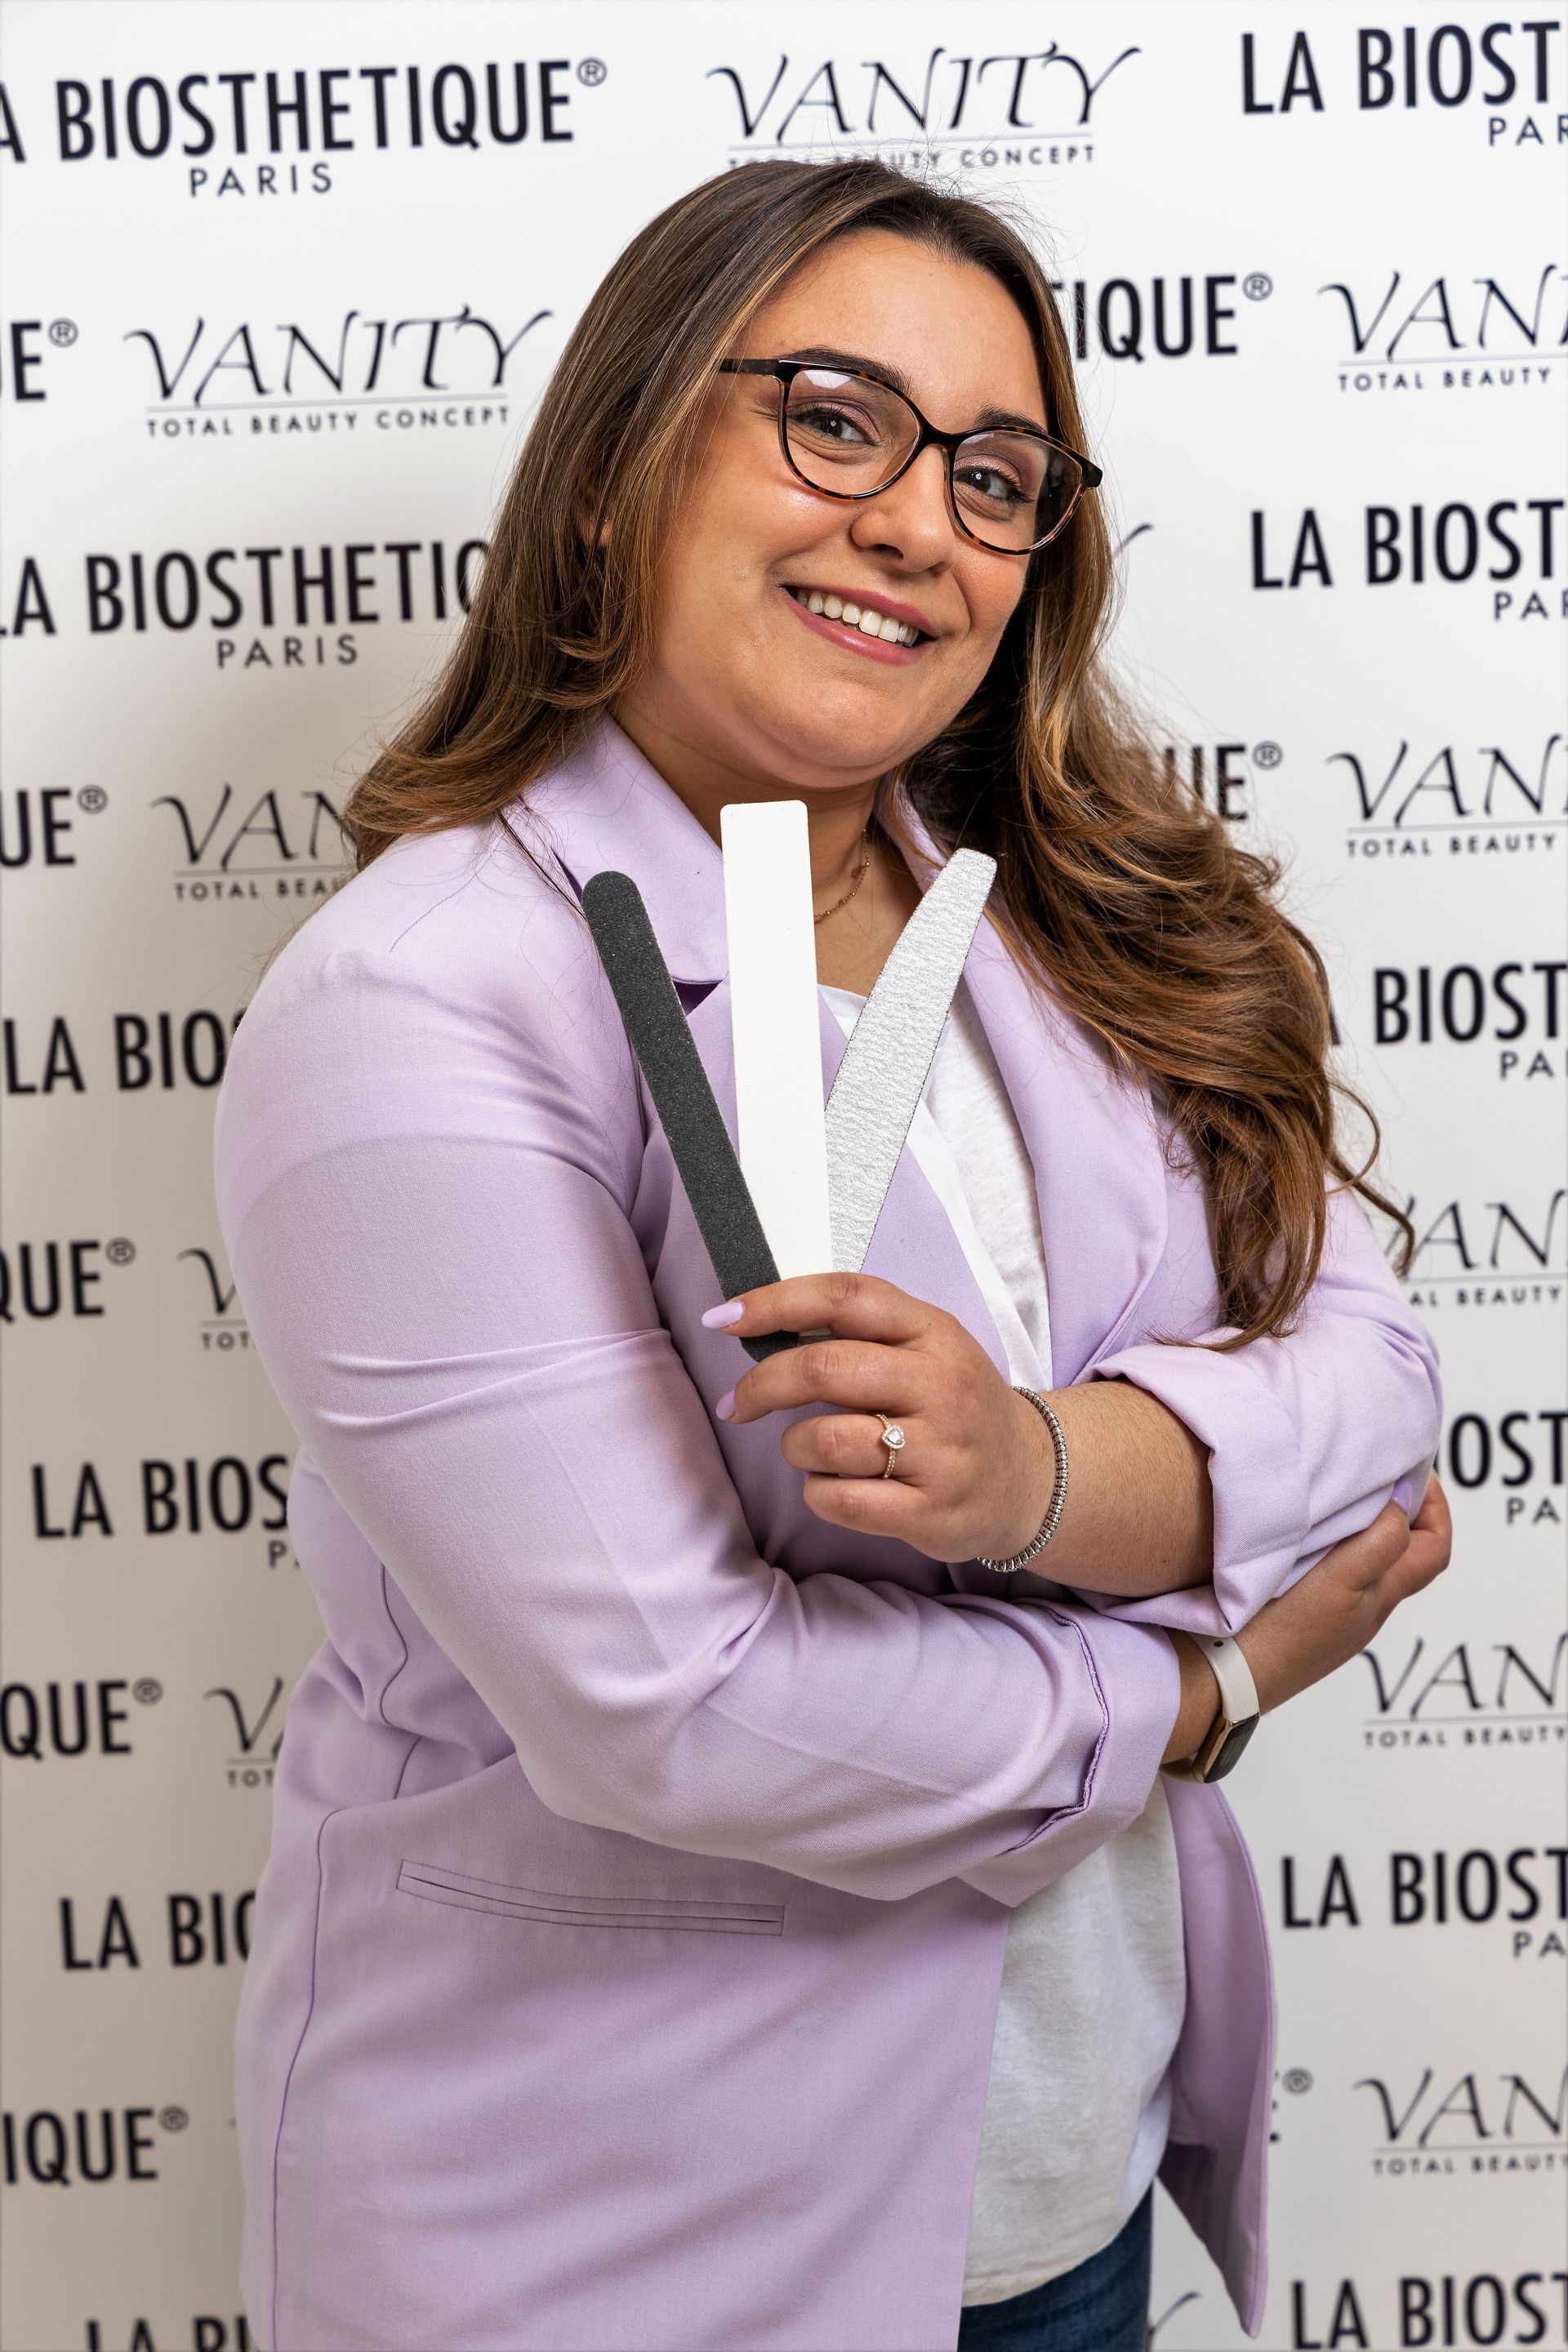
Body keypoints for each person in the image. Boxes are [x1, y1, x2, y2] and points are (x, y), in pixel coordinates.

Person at [213, 160, 1449, 2352]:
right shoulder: (422, 1002)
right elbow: (679, 1713)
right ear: (623, 459)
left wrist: (1041, 1472)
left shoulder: (1084, 909)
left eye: (993, 476)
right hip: (613, 2251)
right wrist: (1199, 1686)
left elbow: (1368, 1367)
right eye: (834, 420)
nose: (914, 523)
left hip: (1060, 2193)